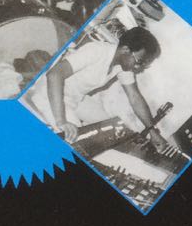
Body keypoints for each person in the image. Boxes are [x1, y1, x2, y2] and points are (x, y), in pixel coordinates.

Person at [25, 25, 179, 157]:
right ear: (125, 50)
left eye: (143, 64)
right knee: (75, 141)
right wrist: (61, 121)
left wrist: (152, 131)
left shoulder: (123, 66)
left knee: (113, 127)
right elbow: (54, 74)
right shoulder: (96, 51)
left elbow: (135, 97)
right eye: (139, 61)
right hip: (51, 94)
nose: (139, 67)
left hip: (76, 98)